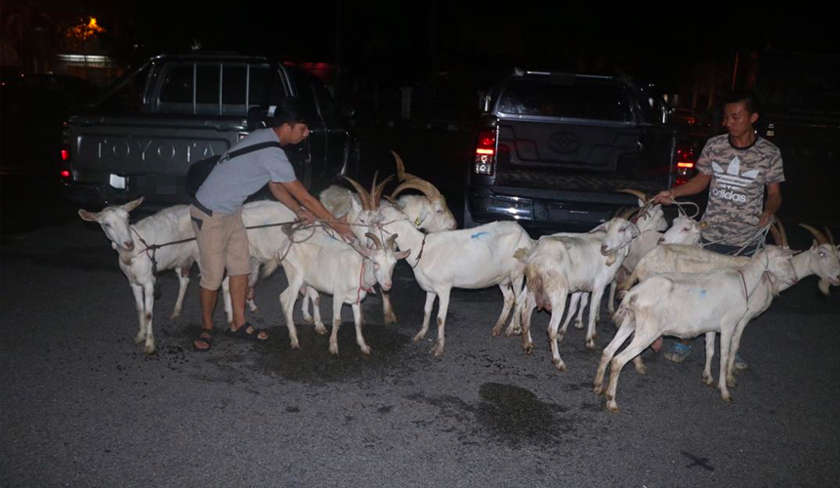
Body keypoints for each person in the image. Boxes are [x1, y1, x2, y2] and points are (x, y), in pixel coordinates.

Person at [190, 98, 356, 351]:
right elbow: (304, 195)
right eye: (303, 128)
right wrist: (334, 224)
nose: (306, 133)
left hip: (231, 211)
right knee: (212, 277)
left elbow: (276, 186)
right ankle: (206, 327)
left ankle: (238, 322)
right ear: (287, 126)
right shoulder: (272, 152)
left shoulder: (263, 137)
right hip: (209, 213)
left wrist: (297, 211)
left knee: (240, 269)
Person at [651, 90, 785, 366]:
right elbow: (701, 182)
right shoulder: (714, 146)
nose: (729, 122)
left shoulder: (769, 153)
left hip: (746, 239)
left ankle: (731, 348)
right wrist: (674, 193)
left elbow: (774, 193)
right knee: (698, 287)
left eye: (736, 117)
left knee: (737, 297)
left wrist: (769, 211)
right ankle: (684, 340)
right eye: (726, 117)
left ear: (753, 118)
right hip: (711, 232)